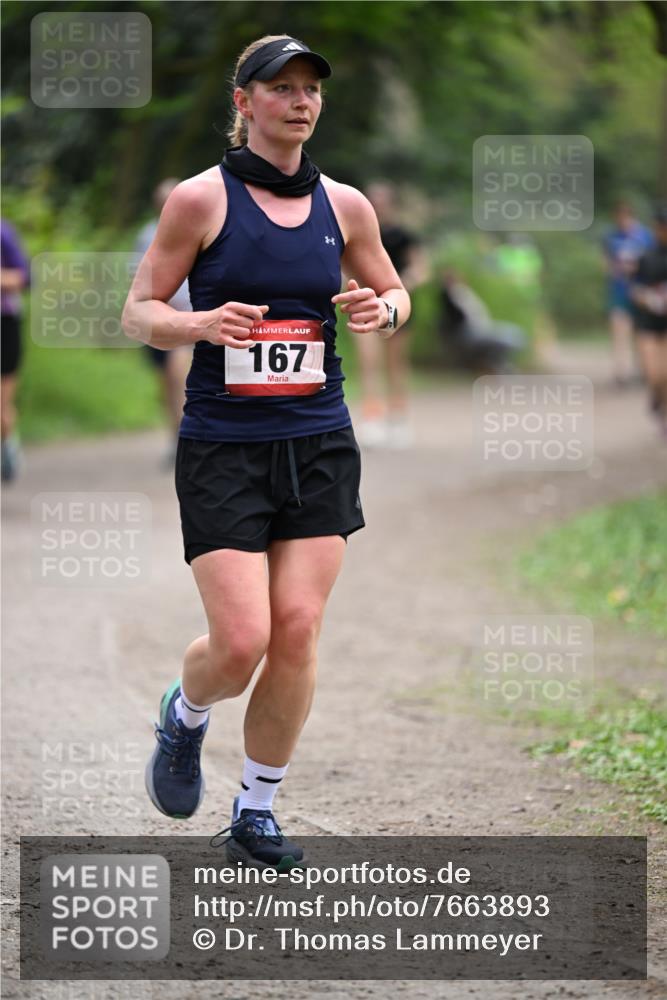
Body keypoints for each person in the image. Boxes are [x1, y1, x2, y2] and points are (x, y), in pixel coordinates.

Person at [122, 35, 410, 869]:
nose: (300, 101)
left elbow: (395, 291)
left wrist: (381, 313)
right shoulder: (199, 201)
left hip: (317, 439)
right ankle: (185, 713)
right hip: (223, 445)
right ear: (243, 102)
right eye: (279, 88)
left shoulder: (347, 205)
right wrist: (198, 324)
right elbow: (139, 311)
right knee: (241, 640)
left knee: (297, 627)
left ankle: (256, 808)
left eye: (309, 89)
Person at [354, 181, 426, 448]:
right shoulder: (359, 231)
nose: (378, 205)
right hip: (364, 305)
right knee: (368, 363)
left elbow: (420, 267)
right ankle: (372, 417)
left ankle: (398, 418)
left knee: (396, 364)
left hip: (395, 306)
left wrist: (403, 285)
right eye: (374, 199)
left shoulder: (403, 235)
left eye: (382, 200)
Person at [134, 179, 193, 467]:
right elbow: (137, 277)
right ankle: (175, 437)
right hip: (157, 321)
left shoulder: (199, 226)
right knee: (166, 384)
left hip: (189, 321)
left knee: (177, 375)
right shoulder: (146, 234)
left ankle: (190, 434)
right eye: (163, 199)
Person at [602, 201, 653, 387]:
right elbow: (606, 263)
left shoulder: (645, 236)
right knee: (619, 331)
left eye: (625, 217)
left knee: (642, 334)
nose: (622, 221)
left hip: (641, 291)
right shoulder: (611, 237)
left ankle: (646, 371)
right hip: (619, 291)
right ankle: (621, 373)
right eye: (619, 218)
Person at [438, 268, 525, 374]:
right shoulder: (453, 296)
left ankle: (496, 364)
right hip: (472, 332)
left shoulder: (462, 294)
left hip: (479, 329)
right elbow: (463, 319)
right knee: (511, 336)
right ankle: (497, 365)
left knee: (513, 334)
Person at [631, 206, 667, 438]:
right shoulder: (646, 256)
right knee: (653, 374)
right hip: (648, 322)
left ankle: (664, 418)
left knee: (665, 373)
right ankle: (655, 398)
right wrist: (647, 298)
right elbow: (634, 288)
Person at [1, 219, 30, 482]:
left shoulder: (3, 232)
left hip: (5, 324)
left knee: (2, 401)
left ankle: (7, 446)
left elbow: (25, 277)